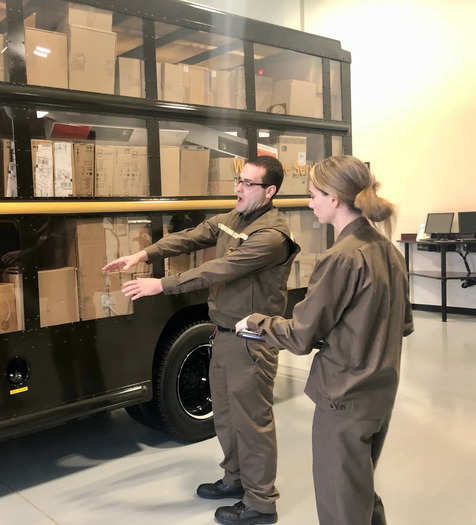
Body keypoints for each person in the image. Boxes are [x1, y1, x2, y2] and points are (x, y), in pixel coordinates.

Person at [103, 156, 299, 525]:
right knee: (225, 416)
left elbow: (219, 269)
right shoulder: (235, 219)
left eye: (248, 184)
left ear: (269, 191)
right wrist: (144, 253)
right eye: (238, 180)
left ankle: (261, 502)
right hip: (224, 333)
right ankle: (235, 479)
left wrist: (161, 284)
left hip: (252, 341)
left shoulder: (272, 236)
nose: (238, 189)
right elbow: (194, 236)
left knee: (252, 422)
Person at [235, 155, 414, 525]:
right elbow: (402, 324)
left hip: (344, 399)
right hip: (380, 394)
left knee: (340, 503)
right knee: (359, 490)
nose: (309, 202)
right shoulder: (390, 253)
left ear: (334, 198)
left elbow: (301, 336)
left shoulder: (341, 258)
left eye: (313, 193)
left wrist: (256, 323)